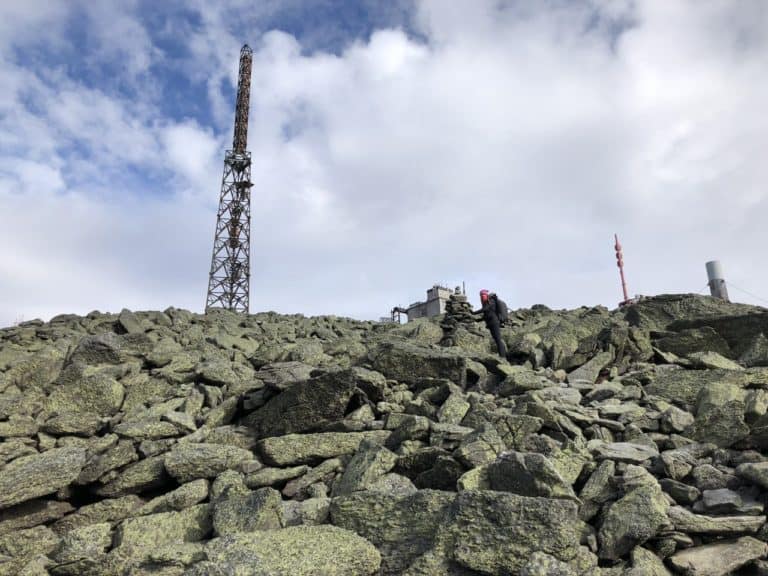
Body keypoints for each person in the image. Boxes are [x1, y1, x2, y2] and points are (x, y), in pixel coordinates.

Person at [474, 289, 508, 358]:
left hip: (494, 323)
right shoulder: (487, 302)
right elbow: (487, 315)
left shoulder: (491, 301)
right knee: (497, 339)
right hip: (491, 324)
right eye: (481, 295)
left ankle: (503, 356)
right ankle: (503, 355)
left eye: (483, 295)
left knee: (498, 340)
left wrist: (473, 313)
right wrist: (478, 320)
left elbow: (485, 309)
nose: (482, 297)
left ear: (486, 295)